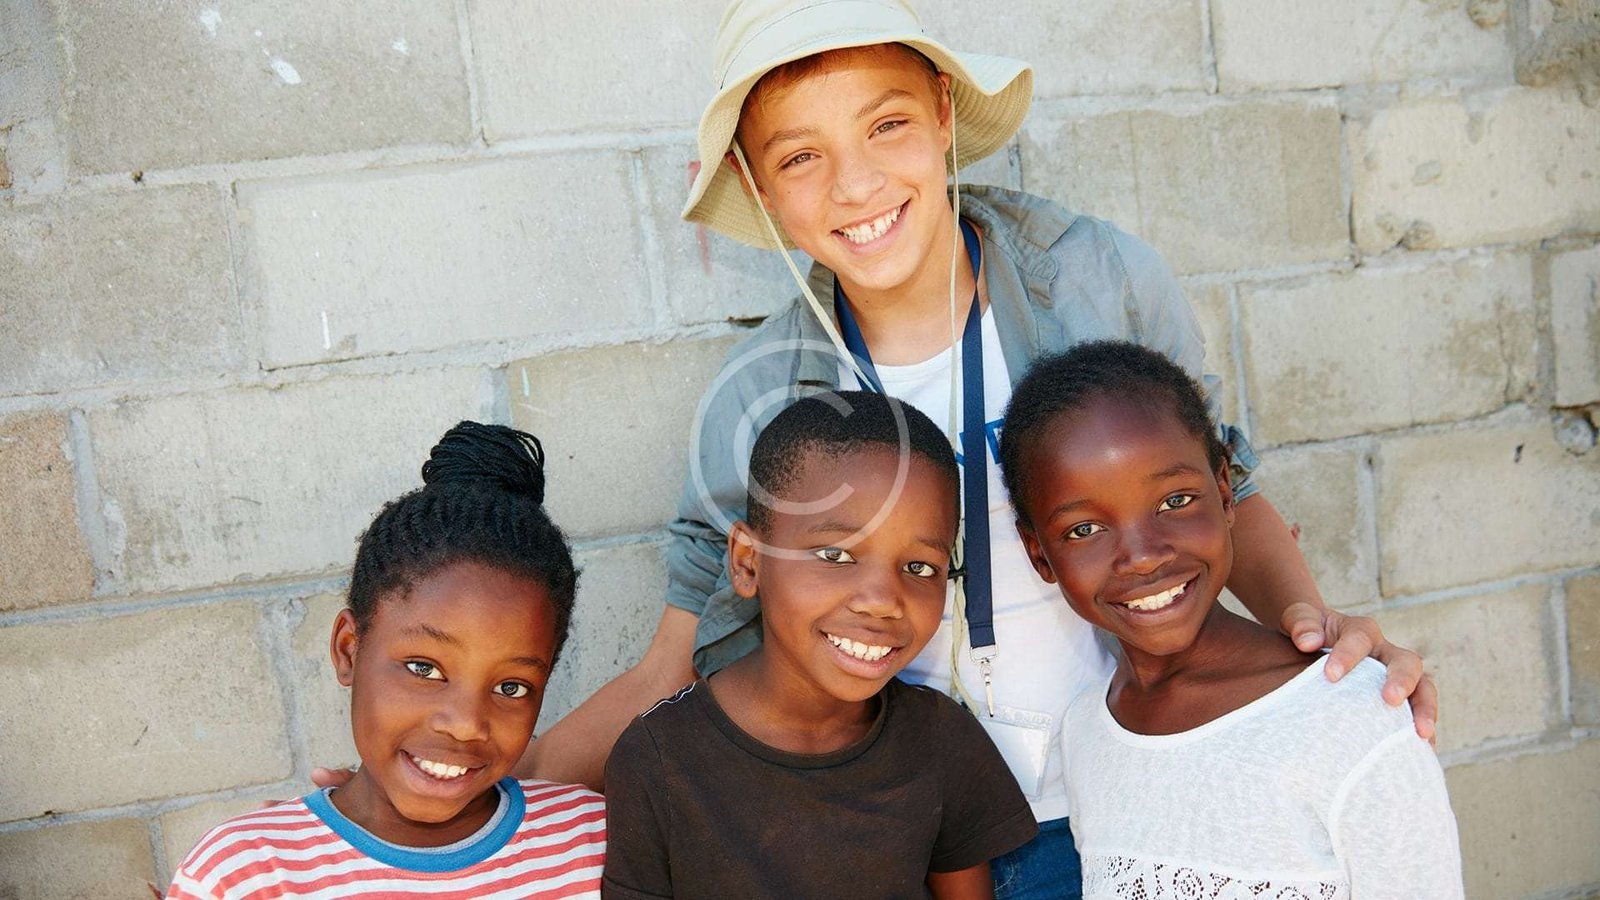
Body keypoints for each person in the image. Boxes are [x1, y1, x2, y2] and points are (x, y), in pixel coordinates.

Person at [999, 341, 1463, 898]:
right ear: (1038, 554)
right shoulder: (1085, 733)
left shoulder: (1352, 717)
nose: (1143, 557)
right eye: (1084, 530)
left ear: (1224, 492)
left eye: (1175, 501)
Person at [602, 391, 1038, 899]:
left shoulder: (941, 742)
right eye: (835, 555)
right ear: (747, 562)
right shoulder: (659, 760)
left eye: (919, 567)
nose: (882, 602)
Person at [168, 423, 606, 898]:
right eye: (424, 669)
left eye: (511, 687)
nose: (465, 724)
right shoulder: (247, 874)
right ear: (348, 649)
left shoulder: (592, 842)